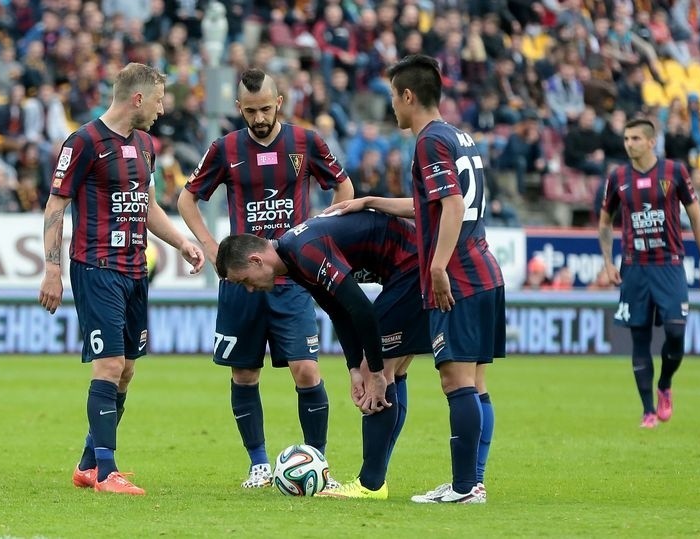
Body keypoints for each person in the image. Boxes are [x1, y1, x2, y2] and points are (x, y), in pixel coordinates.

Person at [327, 54, 505, 504]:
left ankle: (465, 488)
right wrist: (370, 200)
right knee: (476, 383)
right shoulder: (458, 135)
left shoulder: (429, 141)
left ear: (408, 96)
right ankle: (473, 480)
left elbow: (452, 207)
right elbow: (429, 204)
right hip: (485, 269)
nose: (392, 108)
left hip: (460, 276)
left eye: (392, 98)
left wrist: (439, 265)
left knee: (455, 381)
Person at [176, 68, 354, 489]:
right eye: (250, 110)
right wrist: (213, 246)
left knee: (306, 371)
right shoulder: (225, 148)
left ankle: (317, 462)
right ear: (239, 108)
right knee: (244, 374)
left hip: (292, 278)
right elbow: (187, 199)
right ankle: (258, 463)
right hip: (241, 280)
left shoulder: (306, 142)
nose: (258, 118)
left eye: (265, 108)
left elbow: (344, 189)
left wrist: (319, 232)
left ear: (280, 102)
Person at [38, 63, 205, 495]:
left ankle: (88, 464)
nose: (162, 109)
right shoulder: (83, 142)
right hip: (96, 267)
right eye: (158, 100)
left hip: (135, 270)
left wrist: (181, 242)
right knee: (109, 365)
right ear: (137, 99)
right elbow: (55, 206)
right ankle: (108, 473)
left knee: (127, 370)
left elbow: (146, 207)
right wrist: (52, 268)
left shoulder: (147, 145)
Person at [216, 209, 432, 500]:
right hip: (412, 265)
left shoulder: (304, 252)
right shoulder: (292, 258)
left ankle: (370, 485)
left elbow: (361, 308)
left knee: (380, 373)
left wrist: (375, 372)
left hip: (413, 265)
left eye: (244, 281)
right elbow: (337, 310)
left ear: (256, 260)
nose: (250, 290)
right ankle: (374, 481)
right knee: (392, 370)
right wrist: (355, 367)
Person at [598, 118, 700, 429]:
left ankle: (665, 384)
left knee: (676, 333)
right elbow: (604, 222)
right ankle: (648, 410)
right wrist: (609, 263)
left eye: (635, 138)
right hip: (635, 268)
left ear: (652, 142)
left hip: (670, 265)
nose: (629, 143)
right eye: (626, 138)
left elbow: (697, 218)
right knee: (639, 339)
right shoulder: (618, 177)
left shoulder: (674, 172)